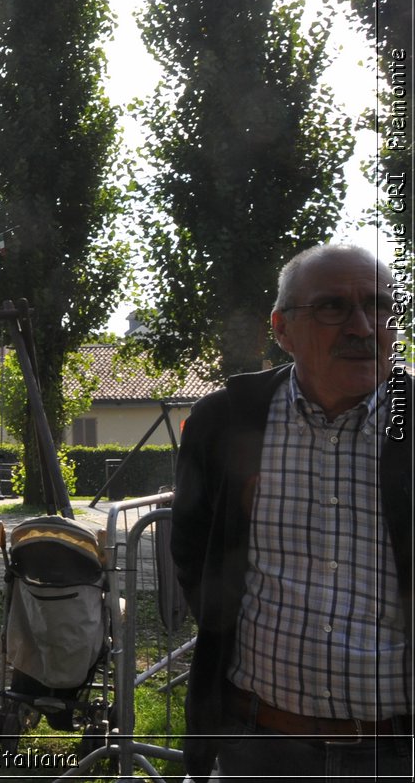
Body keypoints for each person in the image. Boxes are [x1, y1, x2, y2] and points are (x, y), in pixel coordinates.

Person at [171, 244, 411, 782]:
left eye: (380, 306)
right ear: (281, 328)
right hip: (260, 747)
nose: (363, 327)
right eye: (333, 307)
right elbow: (192, 551)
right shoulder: (226, 422)